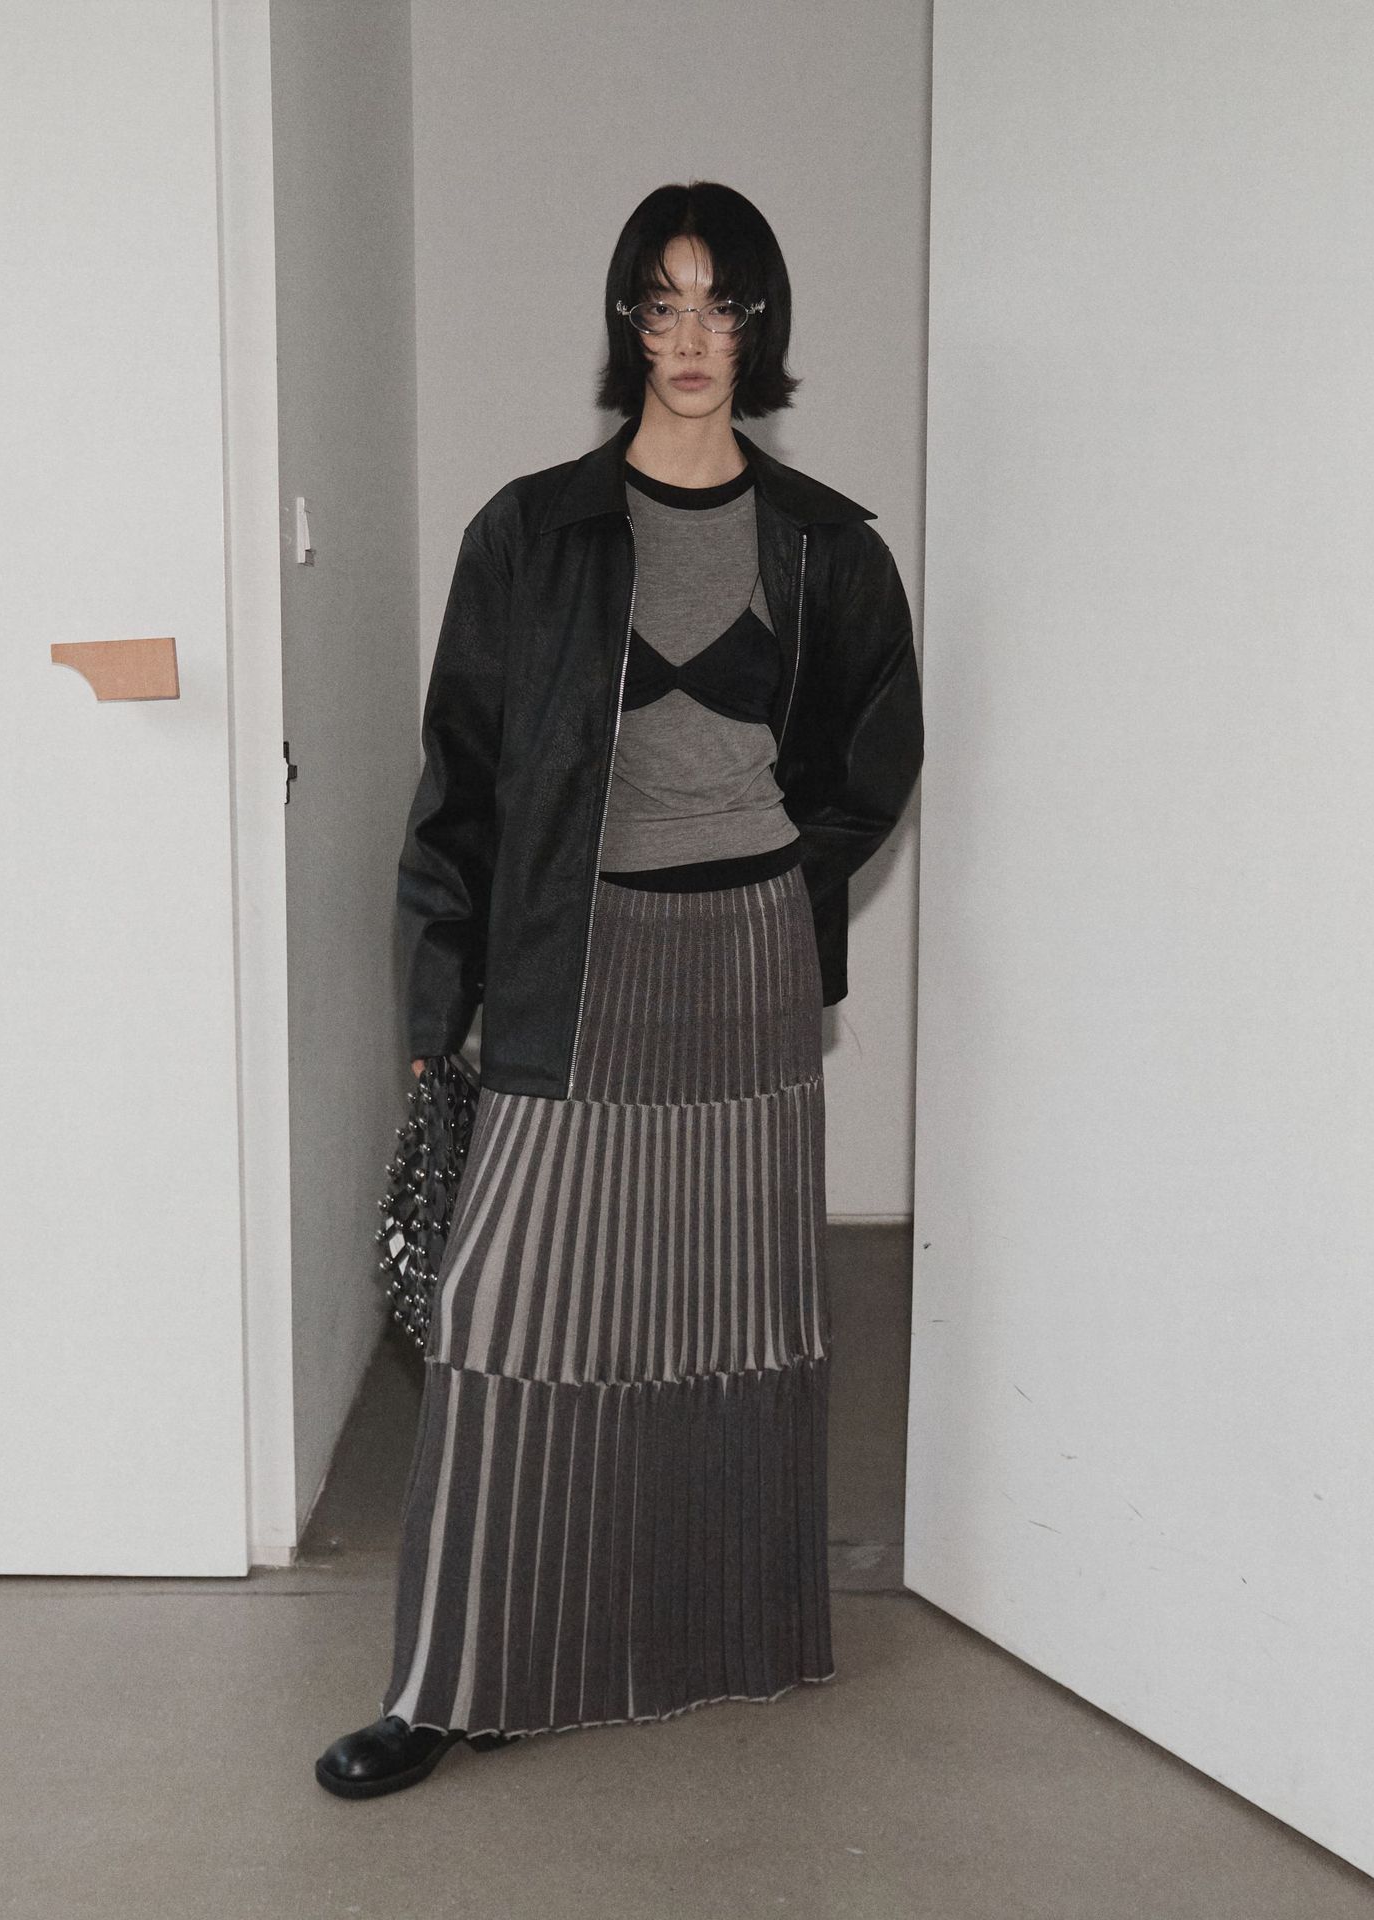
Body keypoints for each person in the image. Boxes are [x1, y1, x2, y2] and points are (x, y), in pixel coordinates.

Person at [315, 179, 924, 1797]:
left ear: (761, 329)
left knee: (724, 1316)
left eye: (723, 305)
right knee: (511, 1320)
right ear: (626, 325)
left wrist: (782, 889)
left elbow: (873, 762)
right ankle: (452, 1683)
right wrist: (440, 1009)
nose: (692, 336)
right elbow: (458, 786)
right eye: (663, 303)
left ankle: (716, 1636)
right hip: (570, 964)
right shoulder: (530, 535)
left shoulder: (829, 547)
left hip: (747, 969)